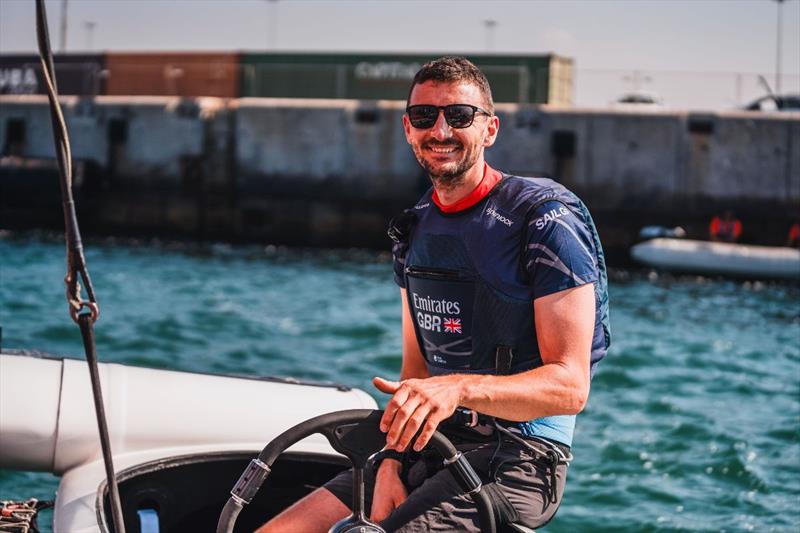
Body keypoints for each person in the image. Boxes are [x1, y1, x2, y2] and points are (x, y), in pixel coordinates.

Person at [257, 56, 610, 533]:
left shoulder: (545, 220)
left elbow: (570, 388)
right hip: (428, 445)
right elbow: (417, 371)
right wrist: (388, 466)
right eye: (425, 117)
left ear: (490, 129)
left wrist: (459, 387)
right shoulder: (415, 228)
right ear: (408, 129)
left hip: (518, 461)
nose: (440, 130)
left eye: (459, 116)